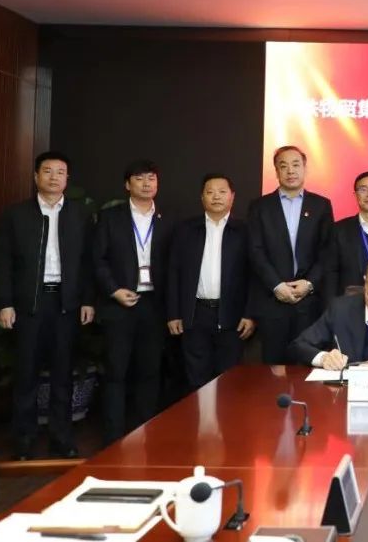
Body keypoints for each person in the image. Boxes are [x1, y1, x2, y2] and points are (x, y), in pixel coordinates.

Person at [0, 151, 94, 459]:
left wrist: (88, 300)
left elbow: (88, 262)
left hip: (66, 303)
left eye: (60, 172)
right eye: (47, 171)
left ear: (67, 178)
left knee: (63, 374)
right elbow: (3, 262)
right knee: (26, 373)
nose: (54, 177)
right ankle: (24, 439)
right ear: (36, 176)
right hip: (29, 304)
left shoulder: (80, 215)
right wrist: (5, 303)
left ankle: (61, 437)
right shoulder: (16, 215)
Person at [93, 159, 175, 444]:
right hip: (120, 303)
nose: (146, 183)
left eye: (151, 178)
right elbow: (97, 260)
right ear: (127, 185)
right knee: (116, 372)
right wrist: (114, 290)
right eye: (139, 178)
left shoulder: (168, 219)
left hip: (154, 305)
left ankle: (145, 433)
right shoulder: (110, 217)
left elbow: (176, 265)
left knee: (150, 372)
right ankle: (113, 437)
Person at [166, 174, 256, 390]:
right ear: (202, 197)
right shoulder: (186, 229)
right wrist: (174, 313)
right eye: (210, 192)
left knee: (229, 380)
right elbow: (173, 272)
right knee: (196, 378)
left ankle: (226, 415)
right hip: (195, 314)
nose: (216, 197)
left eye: (222, 192)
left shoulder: (245, 231)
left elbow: (254, 276)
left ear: (232, 197)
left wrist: (250, 314)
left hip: (233, 316)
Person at [247, 145, 334, 364]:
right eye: (283, 166)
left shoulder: (321, 205)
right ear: (276, 171)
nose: (290, 171)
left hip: (309, 301)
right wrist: (277, 285)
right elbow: (255, 250)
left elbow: (327, 250)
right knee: (272, 366)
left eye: (296, 165)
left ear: (305, 168)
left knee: (307, 364)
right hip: (272, 300)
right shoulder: (260, 206)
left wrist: (309, 283)